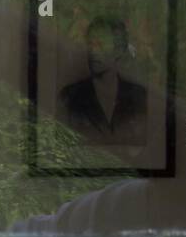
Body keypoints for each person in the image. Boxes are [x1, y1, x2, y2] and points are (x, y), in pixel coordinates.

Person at [57, 15, 147, 146]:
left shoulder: (138, 96)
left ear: (119, 51)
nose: (93, 51)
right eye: (90, 44)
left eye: (101, 44)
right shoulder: (69, 97)